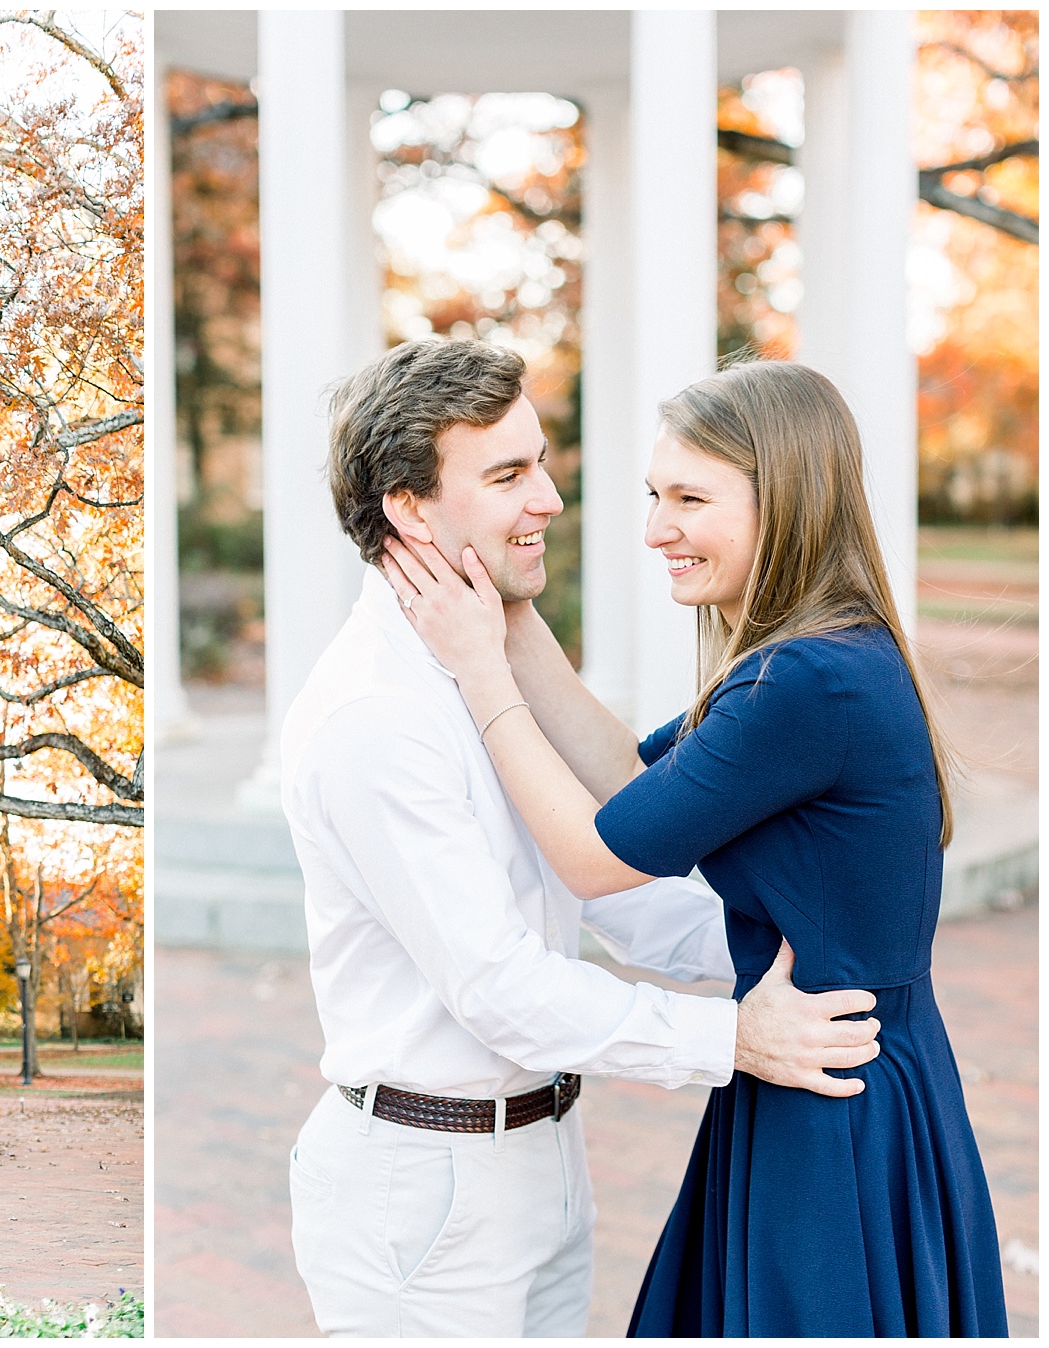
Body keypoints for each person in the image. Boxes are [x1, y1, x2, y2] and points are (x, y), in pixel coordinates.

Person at [382, 357, 1006, 1336]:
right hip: (825, 1069)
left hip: (831, 1100)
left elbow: (596, 854)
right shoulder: (817, 655)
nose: (654, 527)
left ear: (785, 503)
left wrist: (478, 675)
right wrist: (514, 621)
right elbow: (636, 784)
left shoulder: (806, 681)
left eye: (690, 498)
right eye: (651, 494)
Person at [281, 338, 884, 1338]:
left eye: (544, 461)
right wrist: (734, 1038)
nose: (551, 499)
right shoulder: (372, 716)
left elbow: (616, 884)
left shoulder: (483, 655)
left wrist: (795, 956)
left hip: (544, 1157)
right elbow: (499, 987)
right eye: (510, 473)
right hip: (421, 1195)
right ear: (412, 508)